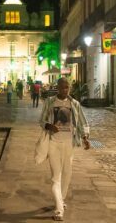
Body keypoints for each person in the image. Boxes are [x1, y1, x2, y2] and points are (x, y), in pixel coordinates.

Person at [38, 77, 90, 221]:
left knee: (67, 175)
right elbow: (41, 121)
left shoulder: (74, 104)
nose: (65, 90)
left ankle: (61, 200)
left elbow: (82, 122)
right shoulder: (50, 102)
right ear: (57, 88)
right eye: (62, 87)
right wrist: (49, 126)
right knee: (56, 178)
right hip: (54, 143)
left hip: (69, 144)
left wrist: (85, 138)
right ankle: (59, 210)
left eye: (67, 87)